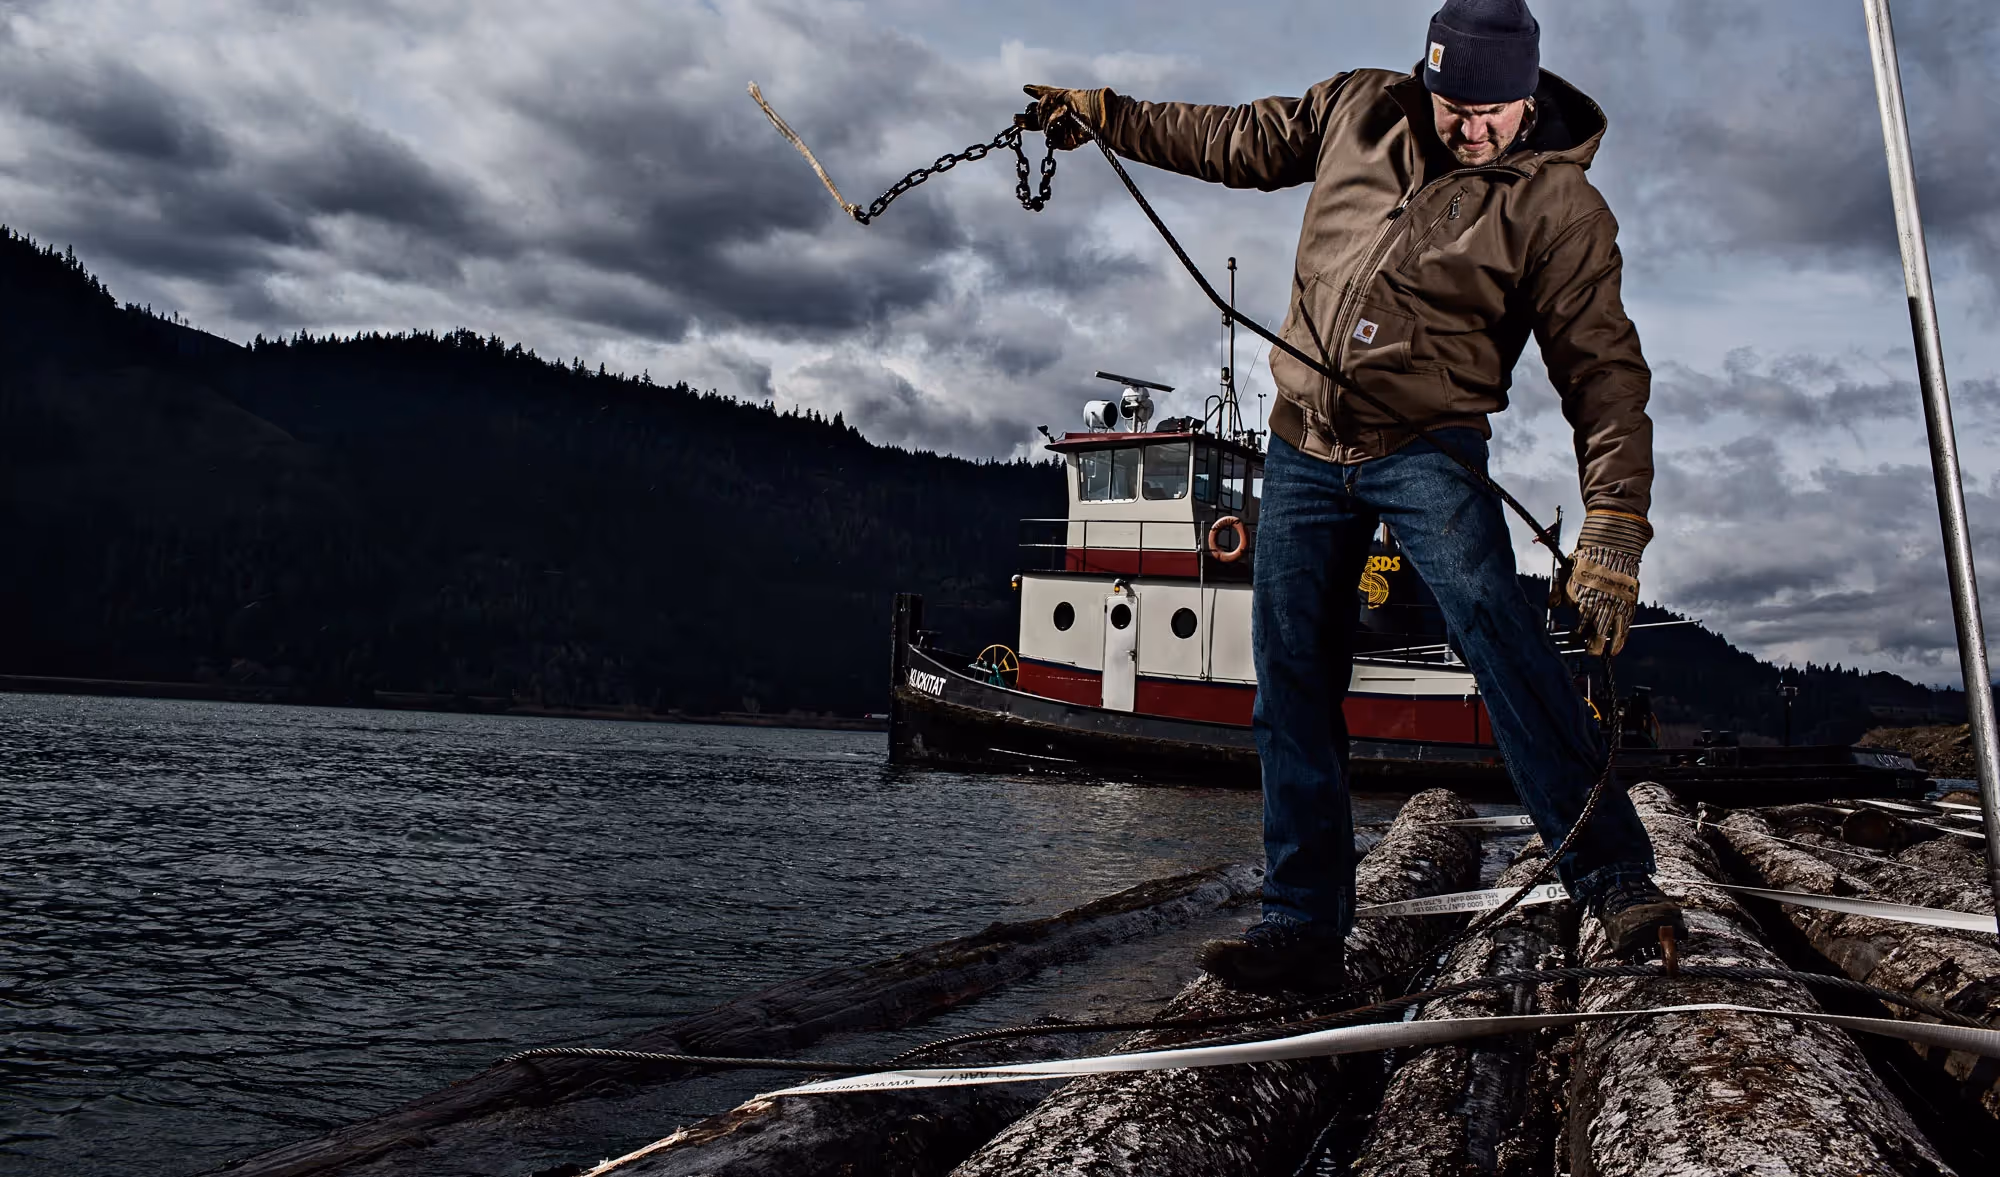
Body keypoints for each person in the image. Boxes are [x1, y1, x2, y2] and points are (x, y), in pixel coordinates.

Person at [1025, 0, 1682, 990]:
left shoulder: (1558, 209)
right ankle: (1301, 925)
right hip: (1300, 443)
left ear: (1529, 94)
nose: (1466, 128)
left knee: (1497, 638)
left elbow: (1601, 369)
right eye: (1449, 104)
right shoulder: (1356, 110)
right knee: (1290, 676)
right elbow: (1230, 137)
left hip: (1426, 445)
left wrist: (1614, 518)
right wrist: (1107, 113)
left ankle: (1616, 878)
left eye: (1489, 112)